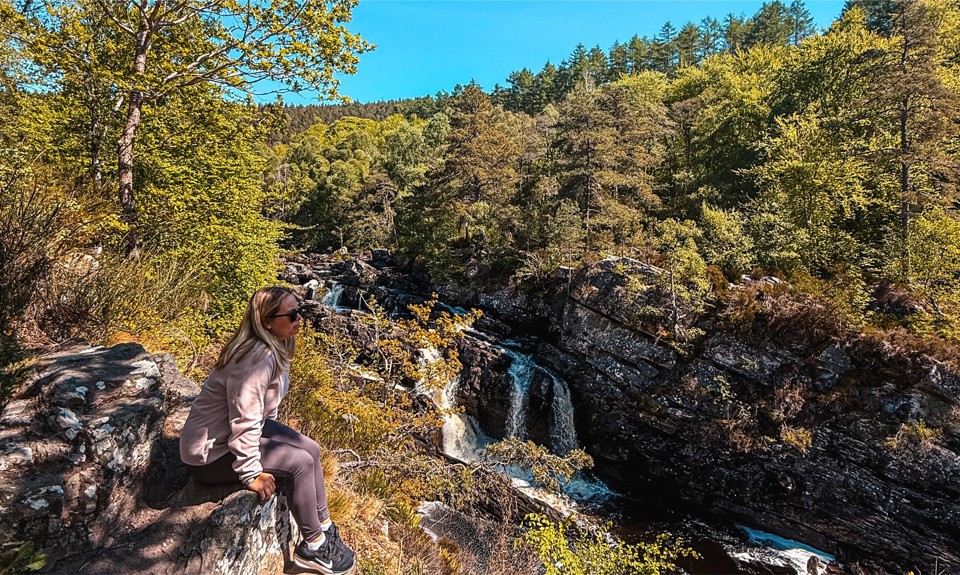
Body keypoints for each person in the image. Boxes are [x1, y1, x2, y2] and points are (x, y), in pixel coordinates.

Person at [180, 286, 355, 575]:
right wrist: (251, 473)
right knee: (299, 463)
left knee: (310, 448)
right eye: (292, 314)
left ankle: (324, 526)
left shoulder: (276, 345)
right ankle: (313, 547)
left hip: (230, 435)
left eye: (299, 310)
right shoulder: (255, 358)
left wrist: (275, 441)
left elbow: (264, 408)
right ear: (267, 321)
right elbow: (244, 419)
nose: (300, 318)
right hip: (209, 455)